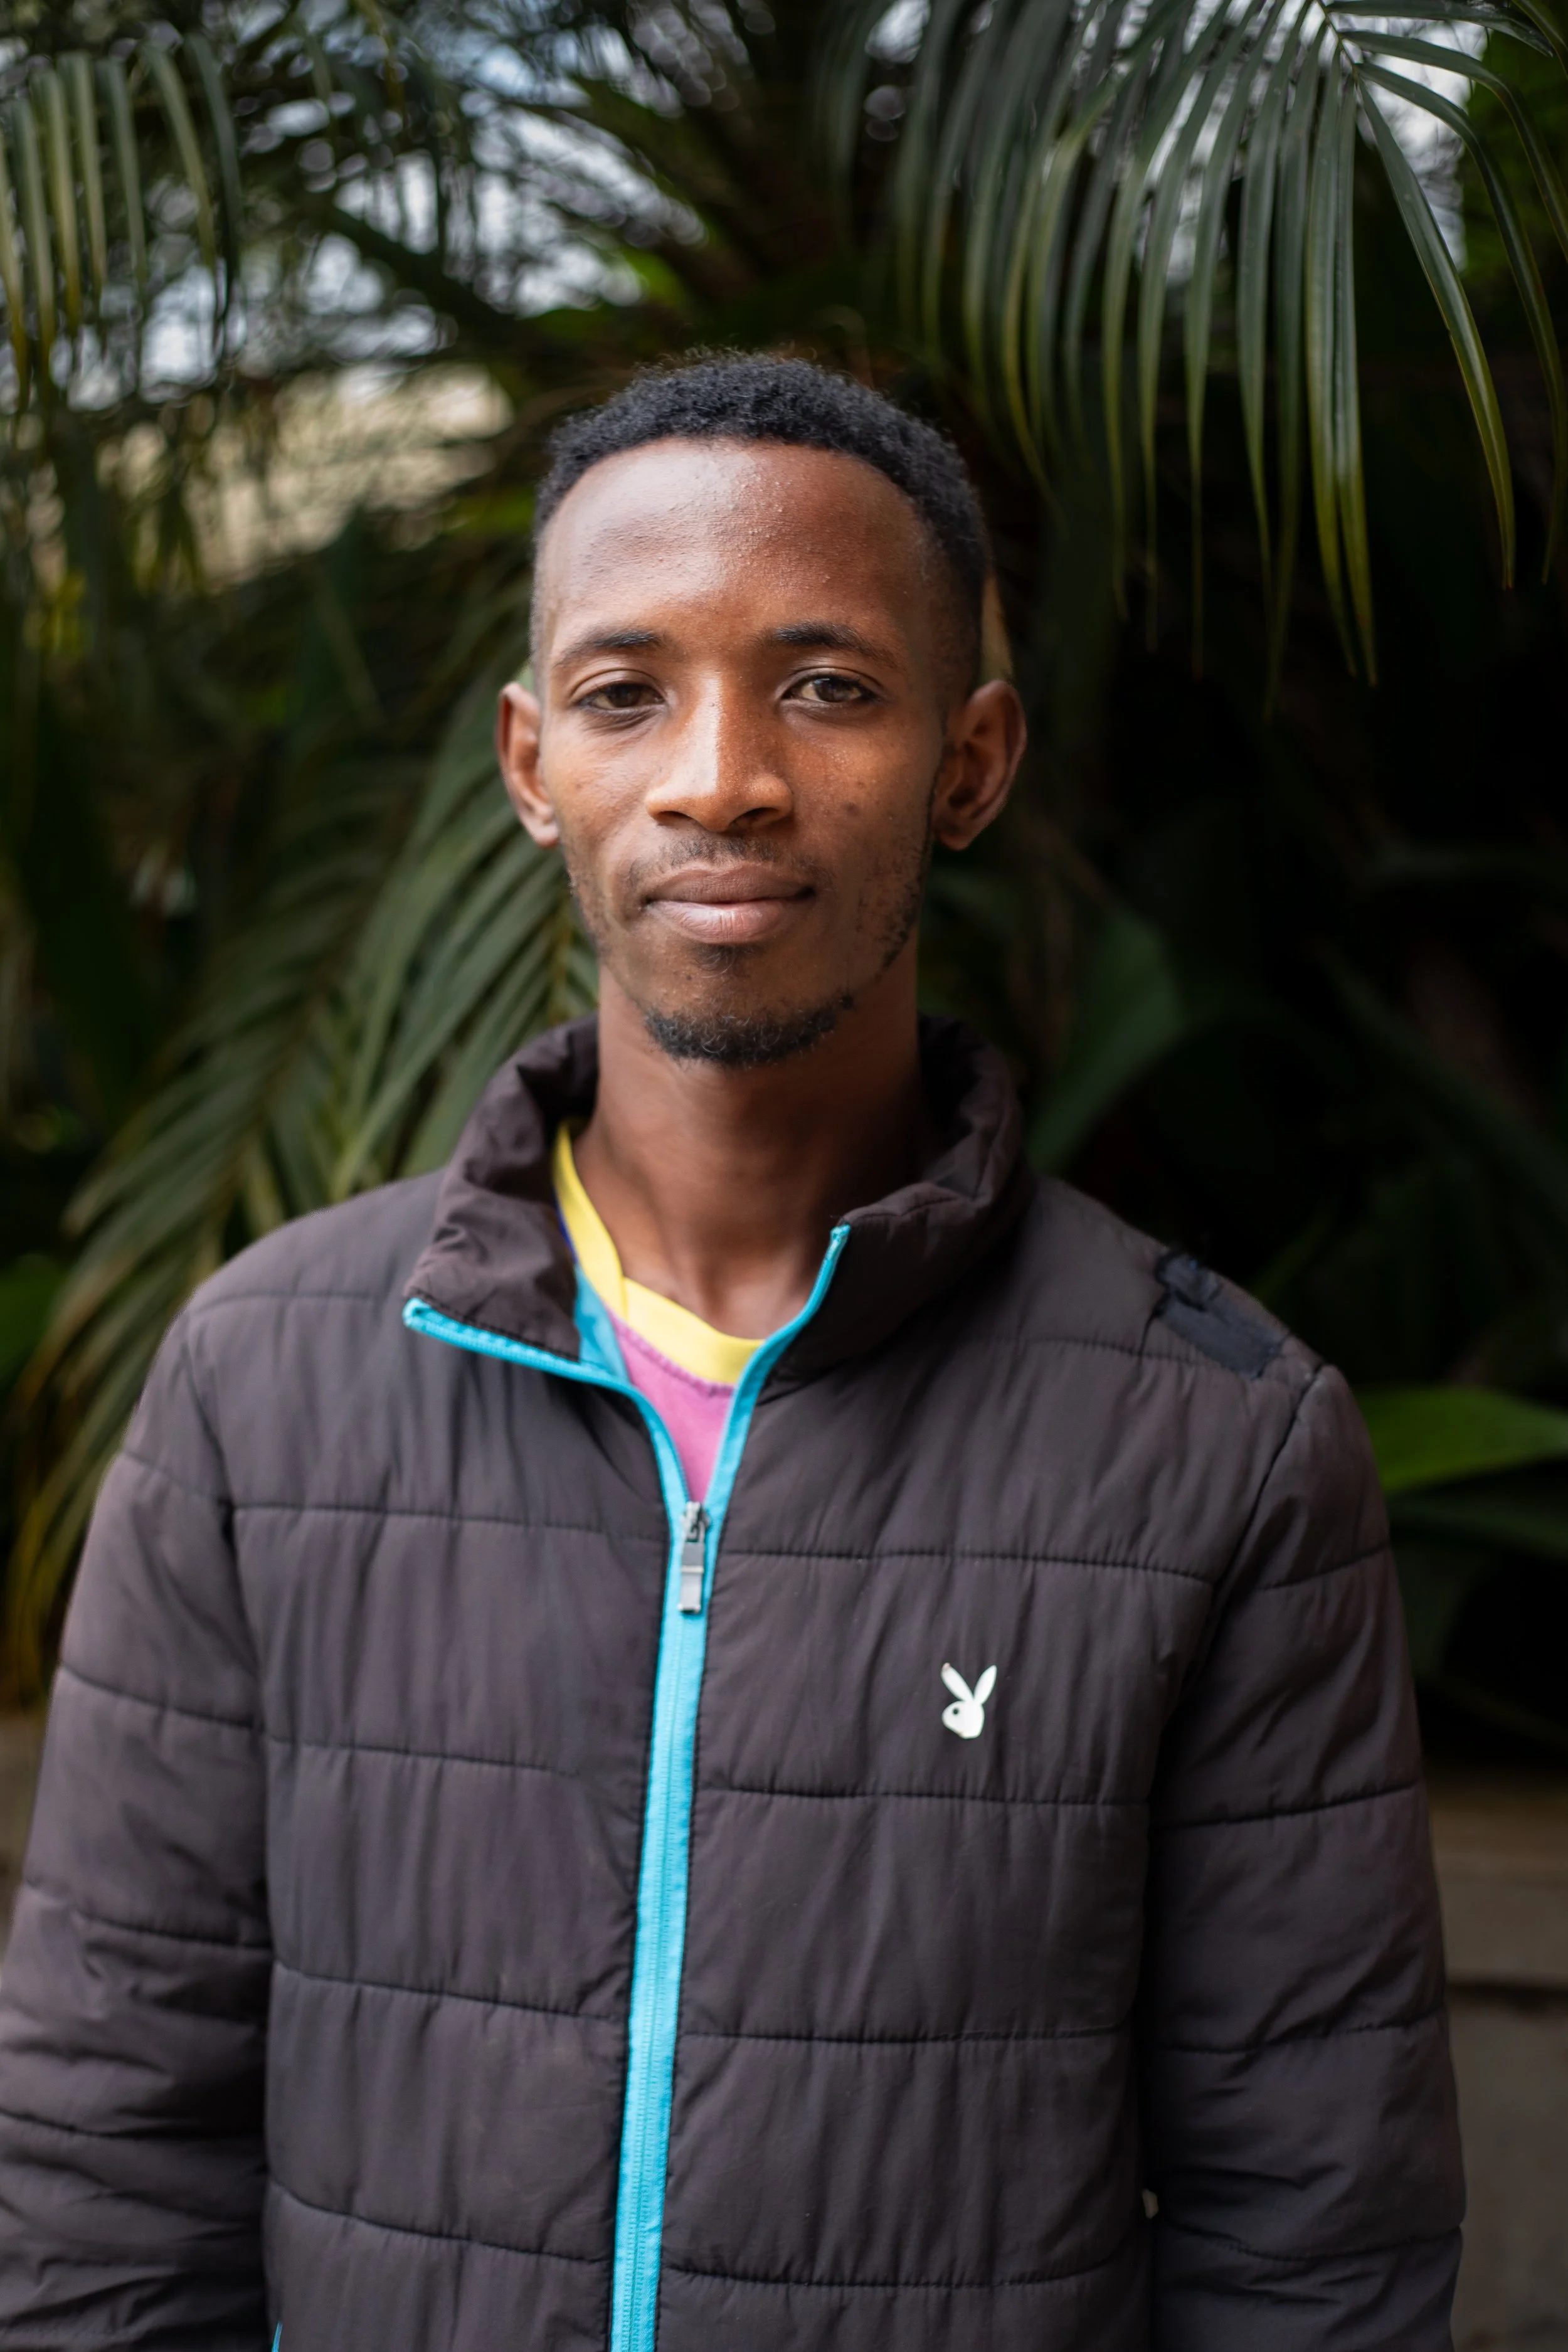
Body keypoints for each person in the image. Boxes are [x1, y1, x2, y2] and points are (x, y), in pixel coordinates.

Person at [0, 355, 1463, 2351]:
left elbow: (1314, 2242)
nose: (720, 776)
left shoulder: (1222, 1443)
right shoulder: (262, 1387)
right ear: (532, 763)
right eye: (627, 693)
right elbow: (105, 2169)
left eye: (827, 685)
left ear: (971, 761)